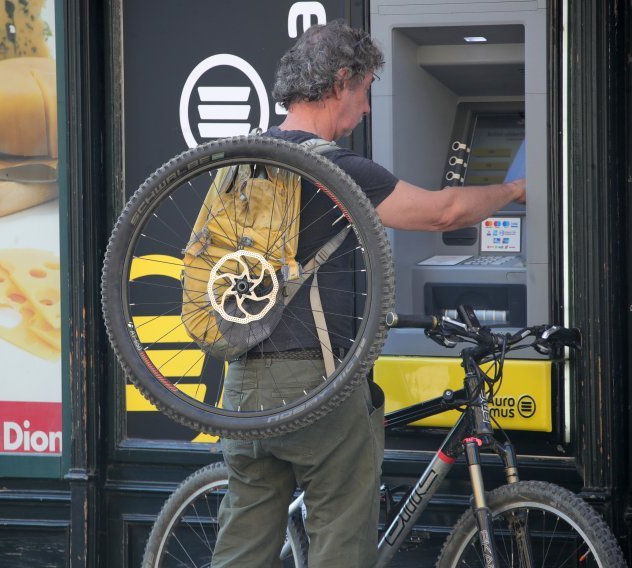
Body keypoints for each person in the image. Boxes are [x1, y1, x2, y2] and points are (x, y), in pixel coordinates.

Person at [210, 19, 526, 567]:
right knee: (341, 536)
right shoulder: (336, 169)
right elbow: (442, 212)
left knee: (242, 545)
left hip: (243, 385)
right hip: (316, 384)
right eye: (365, 92)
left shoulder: (239, 163)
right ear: (340, 83)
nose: (367, 108)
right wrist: (520, 187)